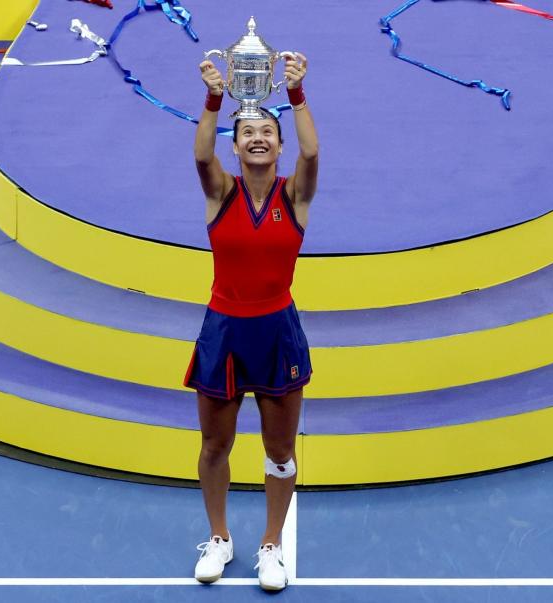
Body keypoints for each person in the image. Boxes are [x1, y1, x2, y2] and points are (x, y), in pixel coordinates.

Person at [184, 52, 318, 591]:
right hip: (224, 330)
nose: (258, 138)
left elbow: (313, 150)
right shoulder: (221, 192)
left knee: (279, 450)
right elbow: (199, 156)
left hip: (276, 332)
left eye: (268, 131)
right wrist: (215, 98)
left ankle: (270, 546)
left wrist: (298, 93)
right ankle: (219, 538)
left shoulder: (296, 195)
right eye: (248, 133)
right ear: (235, 147)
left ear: (278, 146)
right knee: (215, 445)